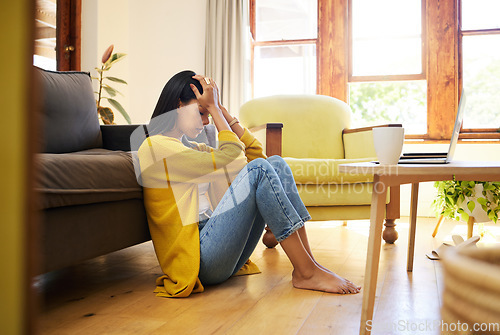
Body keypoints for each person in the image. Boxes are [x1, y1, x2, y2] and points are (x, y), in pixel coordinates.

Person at [136, 70, 361, 298]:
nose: (206, 123)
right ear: (179, 105)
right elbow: (237, 161)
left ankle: (309, 265)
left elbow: (258, 157)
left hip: (221, 252)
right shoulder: (155, 148)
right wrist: (215, 111)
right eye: (202, 112)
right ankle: (307, 272)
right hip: (197, 261)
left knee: (276, 164)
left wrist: (222, 111)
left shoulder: (192, 149)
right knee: (261, 169)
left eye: (208, 114)